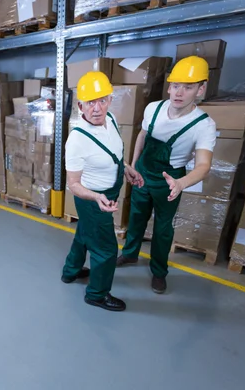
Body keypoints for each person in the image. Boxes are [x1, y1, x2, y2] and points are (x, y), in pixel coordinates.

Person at [116, 56, 217, 294]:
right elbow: (142, 135)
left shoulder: (203, 125)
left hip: (170, 181)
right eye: (175, 85)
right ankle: (130, 254)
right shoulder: (154, 108)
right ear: (169, 86)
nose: (179, 92)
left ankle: (159, 272)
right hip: (142, 173)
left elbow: (204, 164)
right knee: (137, 216)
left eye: (188, 87)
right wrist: (133, 165)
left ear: (200, 89)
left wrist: (181, 183)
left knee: (163, 228)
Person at [62, 71, 144, 312]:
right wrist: (97, 197)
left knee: (85, 233)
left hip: (110, 190)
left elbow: (114, 152)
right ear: (80, 105)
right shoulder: (76, 140)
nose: (96, 108)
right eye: (90, 102)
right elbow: (73, 185)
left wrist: (127, 168)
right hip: (93, 199)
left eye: (102, 100)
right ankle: (97, 294)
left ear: (110, 99)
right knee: (106, 248)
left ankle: (71, 271)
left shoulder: (112, 120)